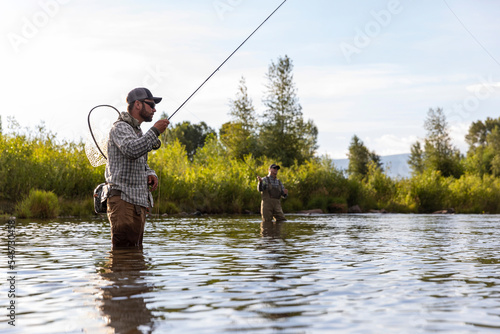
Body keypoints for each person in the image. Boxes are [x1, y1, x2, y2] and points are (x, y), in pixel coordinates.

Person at [105, 87, 170, 248]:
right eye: (151, 104)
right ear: (138, 105)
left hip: (137, 204)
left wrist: (150, 173)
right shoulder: (120, 127)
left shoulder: (137, 131)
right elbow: (131, 149)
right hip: (123, 201)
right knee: (123, 256)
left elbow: (139, 160)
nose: (154, 109)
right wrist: (155, 131)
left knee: (135, 255)